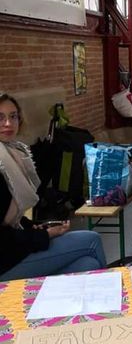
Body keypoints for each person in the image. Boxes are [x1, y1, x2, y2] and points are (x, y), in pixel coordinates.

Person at [0, 93, 106, 281]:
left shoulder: (13, 154)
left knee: (88, 265)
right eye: (0, 117)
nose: (8, 123)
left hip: (13, 248)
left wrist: (36, 228)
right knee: (91, 241)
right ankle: (117, 303)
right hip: (4, 261)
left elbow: (11, 220)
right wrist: (43, 236)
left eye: (13, 116)